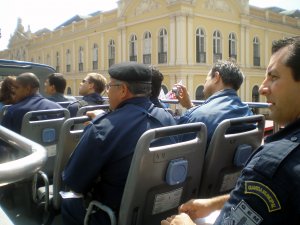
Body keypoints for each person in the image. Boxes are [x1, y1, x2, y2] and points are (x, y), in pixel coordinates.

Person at [161, 36, 300, 225]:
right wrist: (215, 203)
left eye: (274, 77)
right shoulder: (248, 113)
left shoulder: (271, 165)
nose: (262, 88)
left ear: (217, 77)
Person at [61, 62, 176, 225]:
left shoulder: (102, 129)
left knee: (67, 200)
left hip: (112, 216)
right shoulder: (168, 118)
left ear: (122, 90)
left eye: (109, 86)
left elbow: (74, 180)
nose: (107, 92)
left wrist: (104, 122)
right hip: (158, 211)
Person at [175, 60, 253, 144]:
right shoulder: (248, 113)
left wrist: (191, 111)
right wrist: (190, 105)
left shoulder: (195, 118)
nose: (204, 84)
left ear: (216, 77)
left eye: (206, 80)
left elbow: (179, 148)